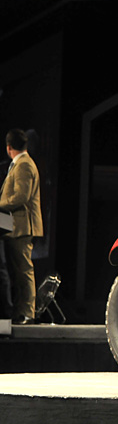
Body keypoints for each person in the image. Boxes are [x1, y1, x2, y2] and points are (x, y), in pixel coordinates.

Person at [0, 129, 42, 324]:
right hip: (13, 224)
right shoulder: (19, 164)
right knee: (17, 270)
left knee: (24, 270)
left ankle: (27, 313)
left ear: (9, 148)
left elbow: (21, 196)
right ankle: (19, 312)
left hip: (22, 226)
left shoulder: (24, 165)